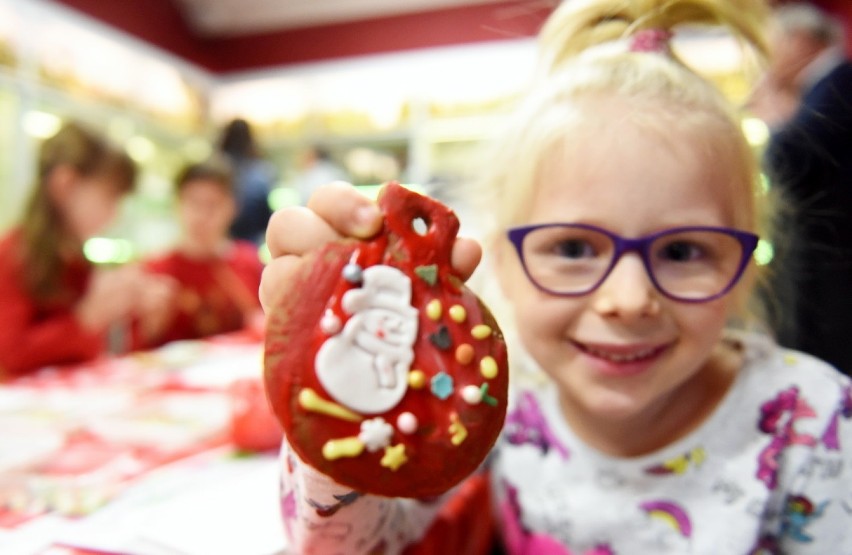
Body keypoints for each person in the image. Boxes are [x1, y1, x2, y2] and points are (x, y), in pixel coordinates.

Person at [260, 0, 852, 553]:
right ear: (505, 267)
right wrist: (344, 392)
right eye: (572, 247)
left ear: (746, 269)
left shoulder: (816, 426)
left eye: (683, 252)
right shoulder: (494, 406)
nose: (629, 299)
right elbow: (354, 541)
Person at [0, 122, 174, 380]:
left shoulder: (75, 257)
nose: (114, 213)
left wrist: (142, 321)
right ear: (65, 184)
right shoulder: (13, 253)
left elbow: (95, 350)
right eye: (110, 197)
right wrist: (88, 317)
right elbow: (10, 355)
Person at [750, 3, 852, 376]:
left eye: (775, 42)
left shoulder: (839, 80)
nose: (770, 55)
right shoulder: (821, 87)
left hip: (831, 258)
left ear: (801, 41)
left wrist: (775, 120)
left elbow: (791, 156)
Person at [138, 158, 265, 348]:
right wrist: (149, 324)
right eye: (193, 203)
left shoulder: (250, 262)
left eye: (212, 205)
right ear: (177, 205)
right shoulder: (154, 270)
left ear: (232, 208)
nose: (201, 216)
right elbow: (136, 349)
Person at [217, 118, 276, 245]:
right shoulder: (260, 169)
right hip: (250, 239)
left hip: (221, 238)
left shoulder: (217, 165)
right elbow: (264, 210)